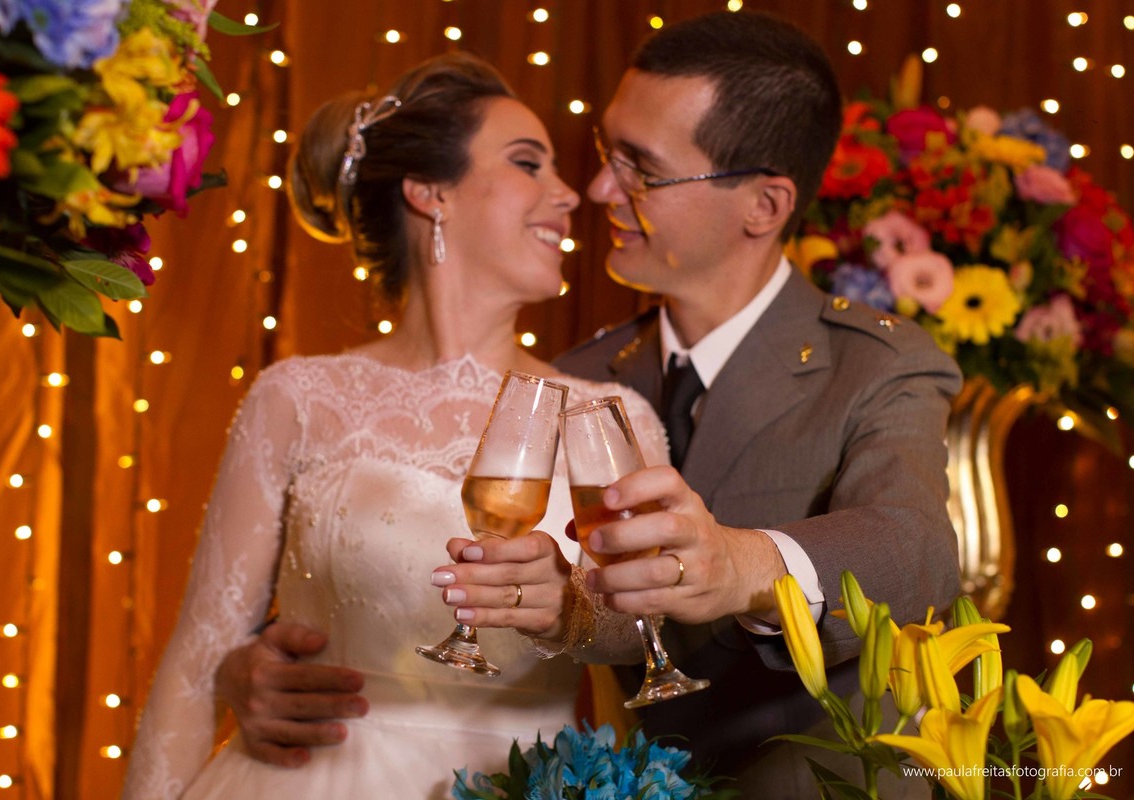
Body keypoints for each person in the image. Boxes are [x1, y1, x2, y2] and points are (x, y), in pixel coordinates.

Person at [212, 11, 964, 797]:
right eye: (609, 154)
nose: (600, 189)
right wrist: (246, 667)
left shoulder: (879, 364)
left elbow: (916, 547)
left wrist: (740, 566)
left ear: (764, 207)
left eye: (642, 168)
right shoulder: (570, 380)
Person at [120, 52, 668, 800]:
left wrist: (571, 608)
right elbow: (196, 660)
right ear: (429, 192)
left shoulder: (610, 417)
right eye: (526, 164)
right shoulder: (298, 397)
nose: (568, 194)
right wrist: (233, 671)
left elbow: (652, 641)